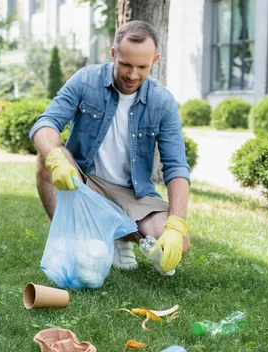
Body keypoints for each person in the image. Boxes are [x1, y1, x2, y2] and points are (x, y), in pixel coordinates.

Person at [30, 21, 190, 273]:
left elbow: (177, 167)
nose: (132, 74)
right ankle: (68, 242)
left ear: (155, 60)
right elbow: (46, 123)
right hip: (85, 182)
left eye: (142, 67)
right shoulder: (86, 81)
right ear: (113, 53)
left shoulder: (163, 102)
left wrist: (176, 224)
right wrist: (55, 158)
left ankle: (114, 237)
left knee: (179, 243)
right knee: (46, 161)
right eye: (126, 64)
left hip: (133, 193)